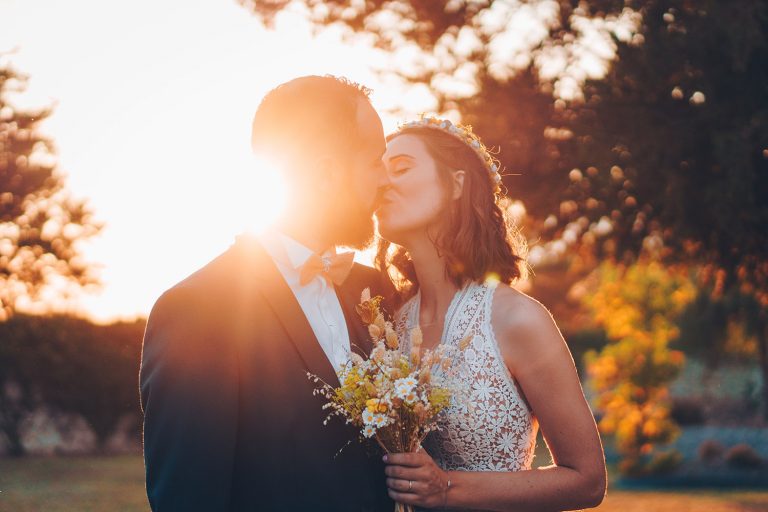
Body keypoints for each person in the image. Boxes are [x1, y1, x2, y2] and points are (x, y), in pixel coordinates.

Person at [139, 75, 394, 511]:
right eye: (375, 161)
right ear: (328, 173)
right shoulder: (196, 310)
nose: (386, 179)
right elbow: (190, 498)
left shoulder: (373, 290)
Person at [375, 117, 607, 511]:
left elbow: (587, 481)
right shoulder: (387, 323)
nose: (382, 183)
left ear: (457, 184)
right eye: (377, 173)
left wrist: (446, 488)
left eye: (401, 168)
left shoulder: (517, 319)